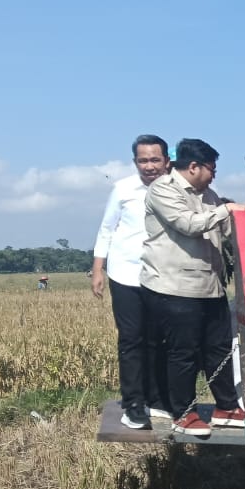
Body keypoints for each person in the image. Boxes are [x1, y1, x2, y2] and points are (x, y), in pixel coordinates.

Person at [140, 138, 245, 437]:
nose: (214, 175)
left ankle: (226, 407)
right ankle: (184, 413)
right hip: (176, 287)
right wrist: (227, 209)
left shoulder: (209, 195)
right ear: (193, 167)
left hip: (210, 285)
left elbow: (225, 228)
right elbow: (188, 224)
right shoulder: (163, 190)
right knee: (184, 352)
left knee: (219, 348)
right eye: (211, 169)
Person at [92, 134, 172, 429]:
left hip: (163, 275)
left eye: (155, 160)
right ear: (135, 162)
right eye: (143, 160)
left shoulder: (176, 188)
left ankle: (157, 399)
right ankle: (133, 403)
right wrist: (98, 270)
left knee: (159, 339)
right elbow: (106, 229)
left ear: (166, 161)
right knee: (131, 339)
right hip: (125, 274)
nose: (149, 166)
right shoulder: (123, 189)